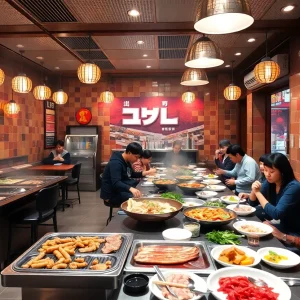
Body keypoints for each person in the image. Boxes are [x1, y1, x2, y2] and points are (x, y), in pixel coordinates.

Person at [247, 153, 300, 236]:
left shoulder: (293, 187)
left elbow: (276, 214)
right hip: (283, 226)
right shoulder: (271, 182)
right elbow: (252, 204)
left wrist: (257, 192)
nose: (268, 174)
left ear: (282, 171)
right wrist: (254, 191)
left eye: (272, 171)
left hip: (295, 232)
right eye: (265, 170)